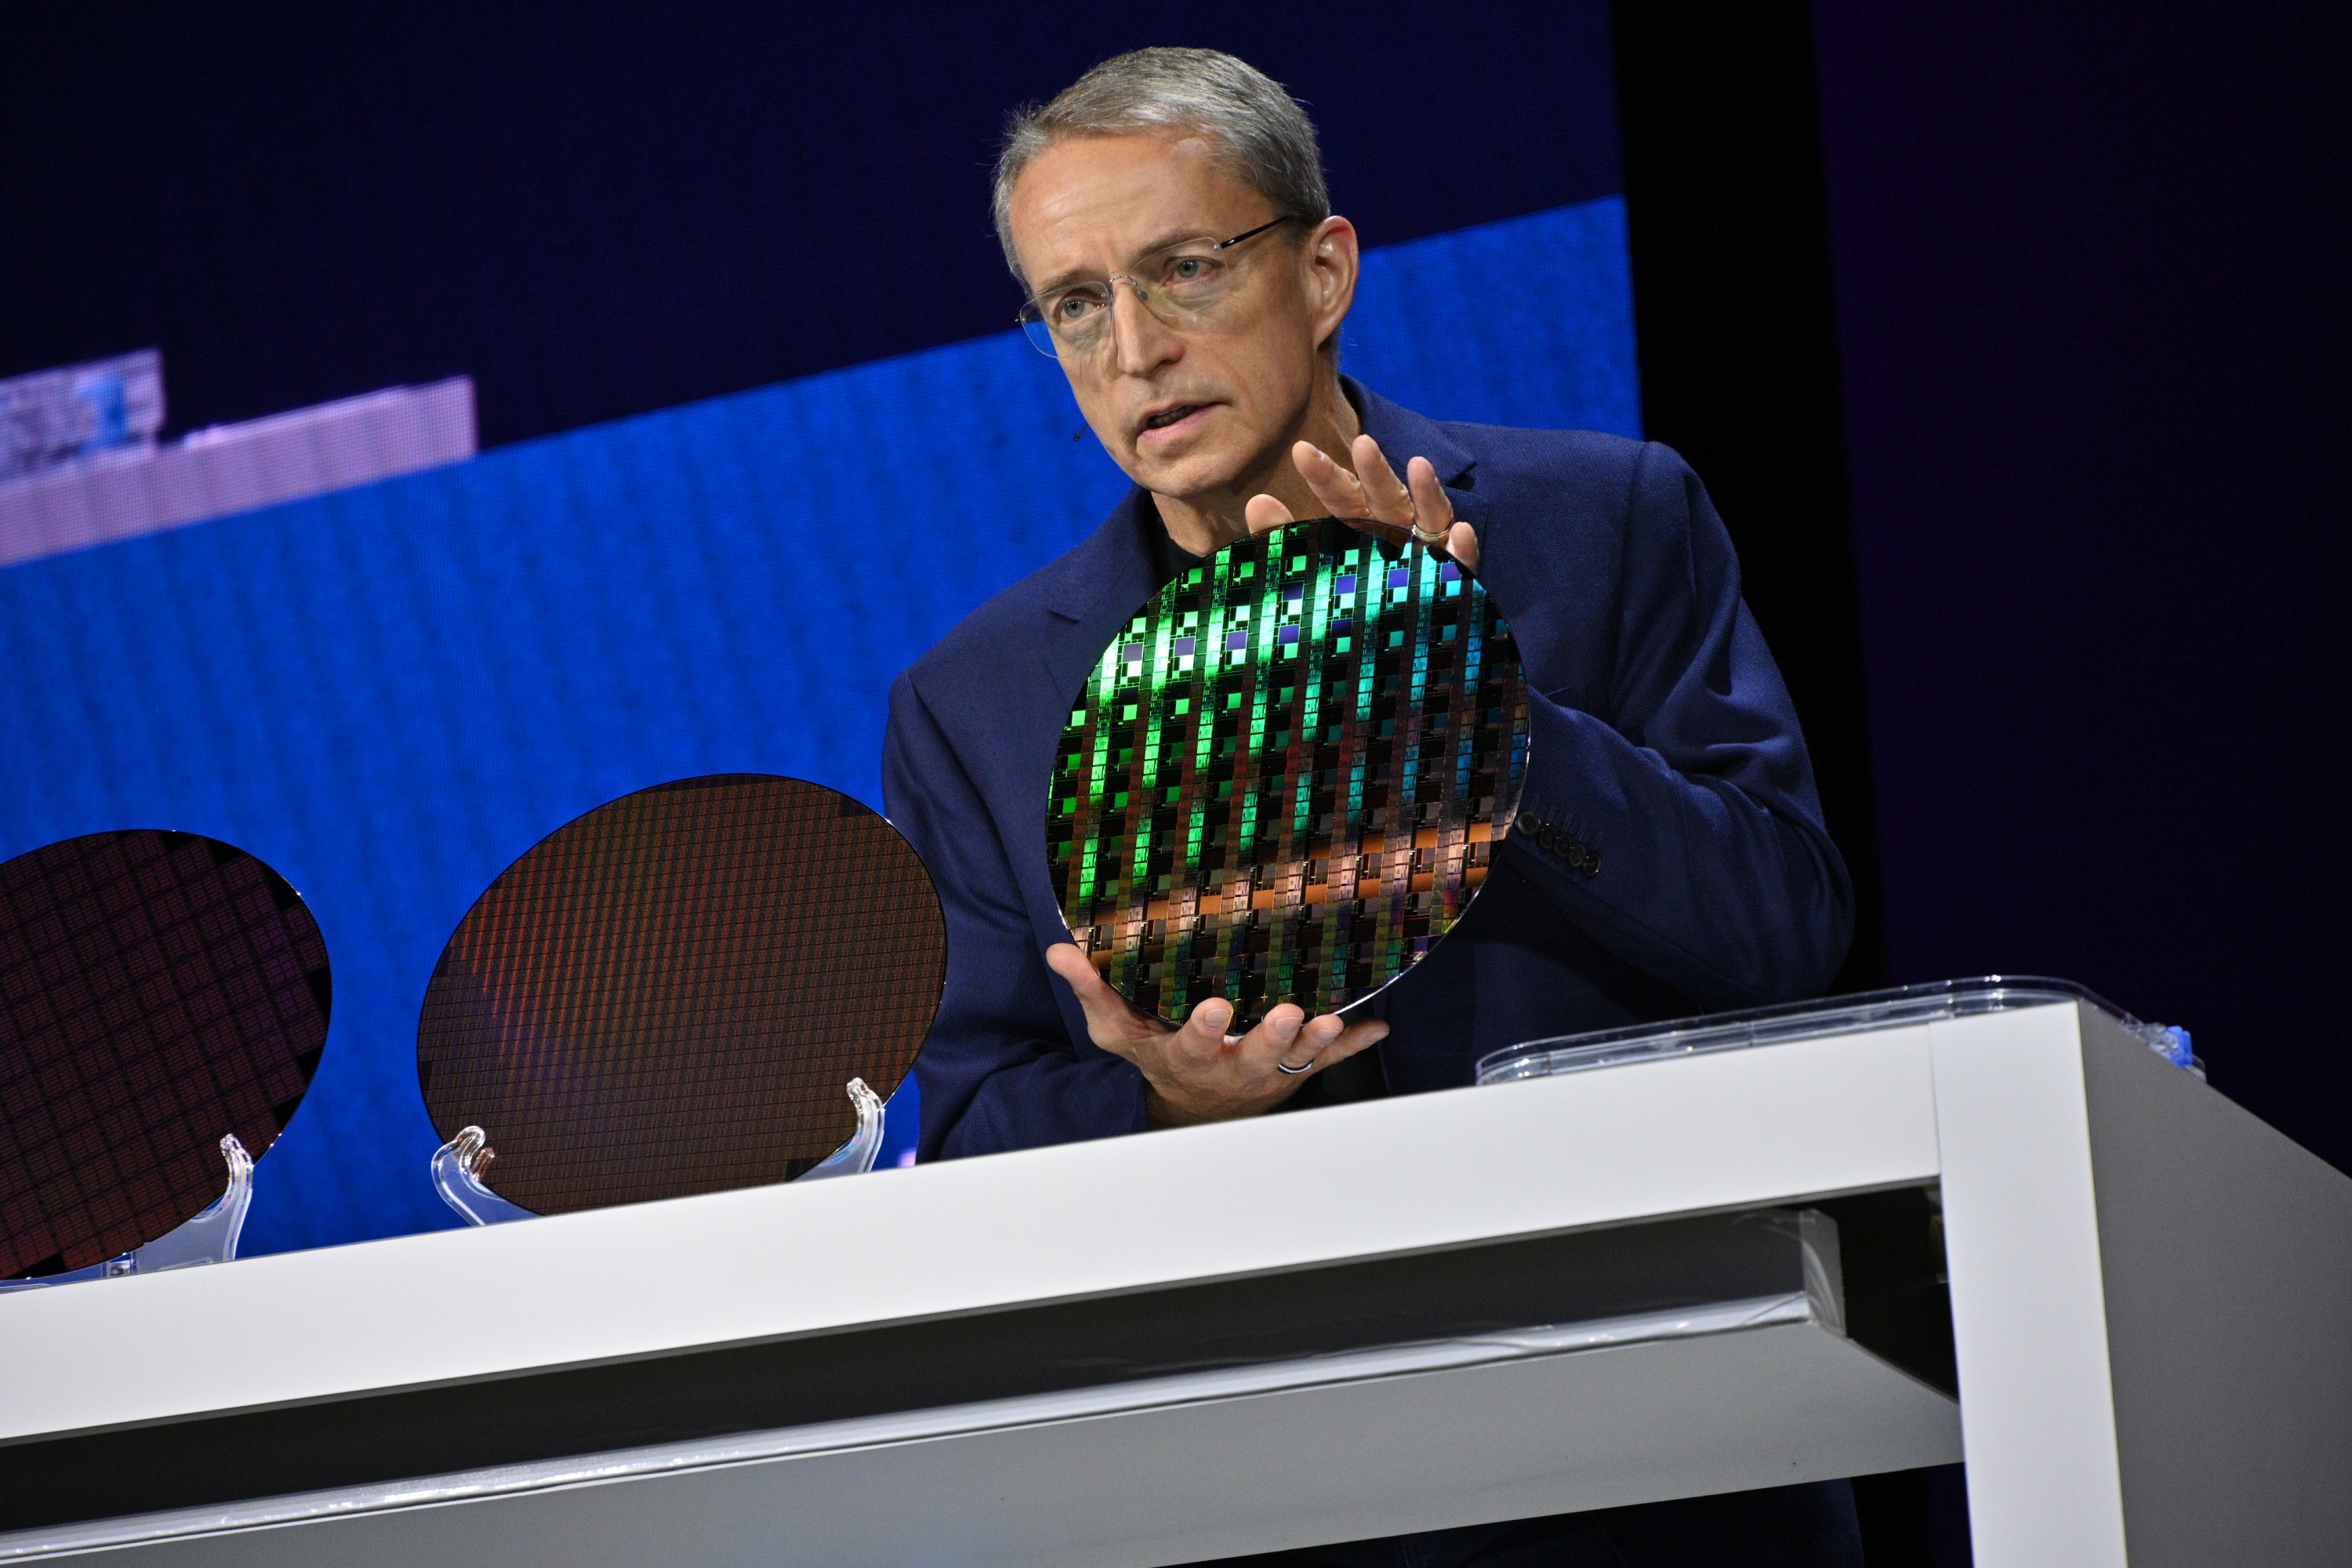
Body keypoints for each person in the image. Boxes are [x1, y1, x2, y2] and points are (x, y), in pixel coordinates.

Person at [882, 47, 1859, 1568]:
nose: (1134, 348)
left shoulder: (1605, 521)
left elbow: (1785, 932)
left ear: (1323, 269)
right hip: (1257, 1486)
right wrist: (1162, 1100)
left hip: (1655, 1442)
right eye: (1076, 303)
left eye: (1184, 269)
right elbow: (965, 1122)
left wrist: (1492, 720)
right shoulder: (979, 701)